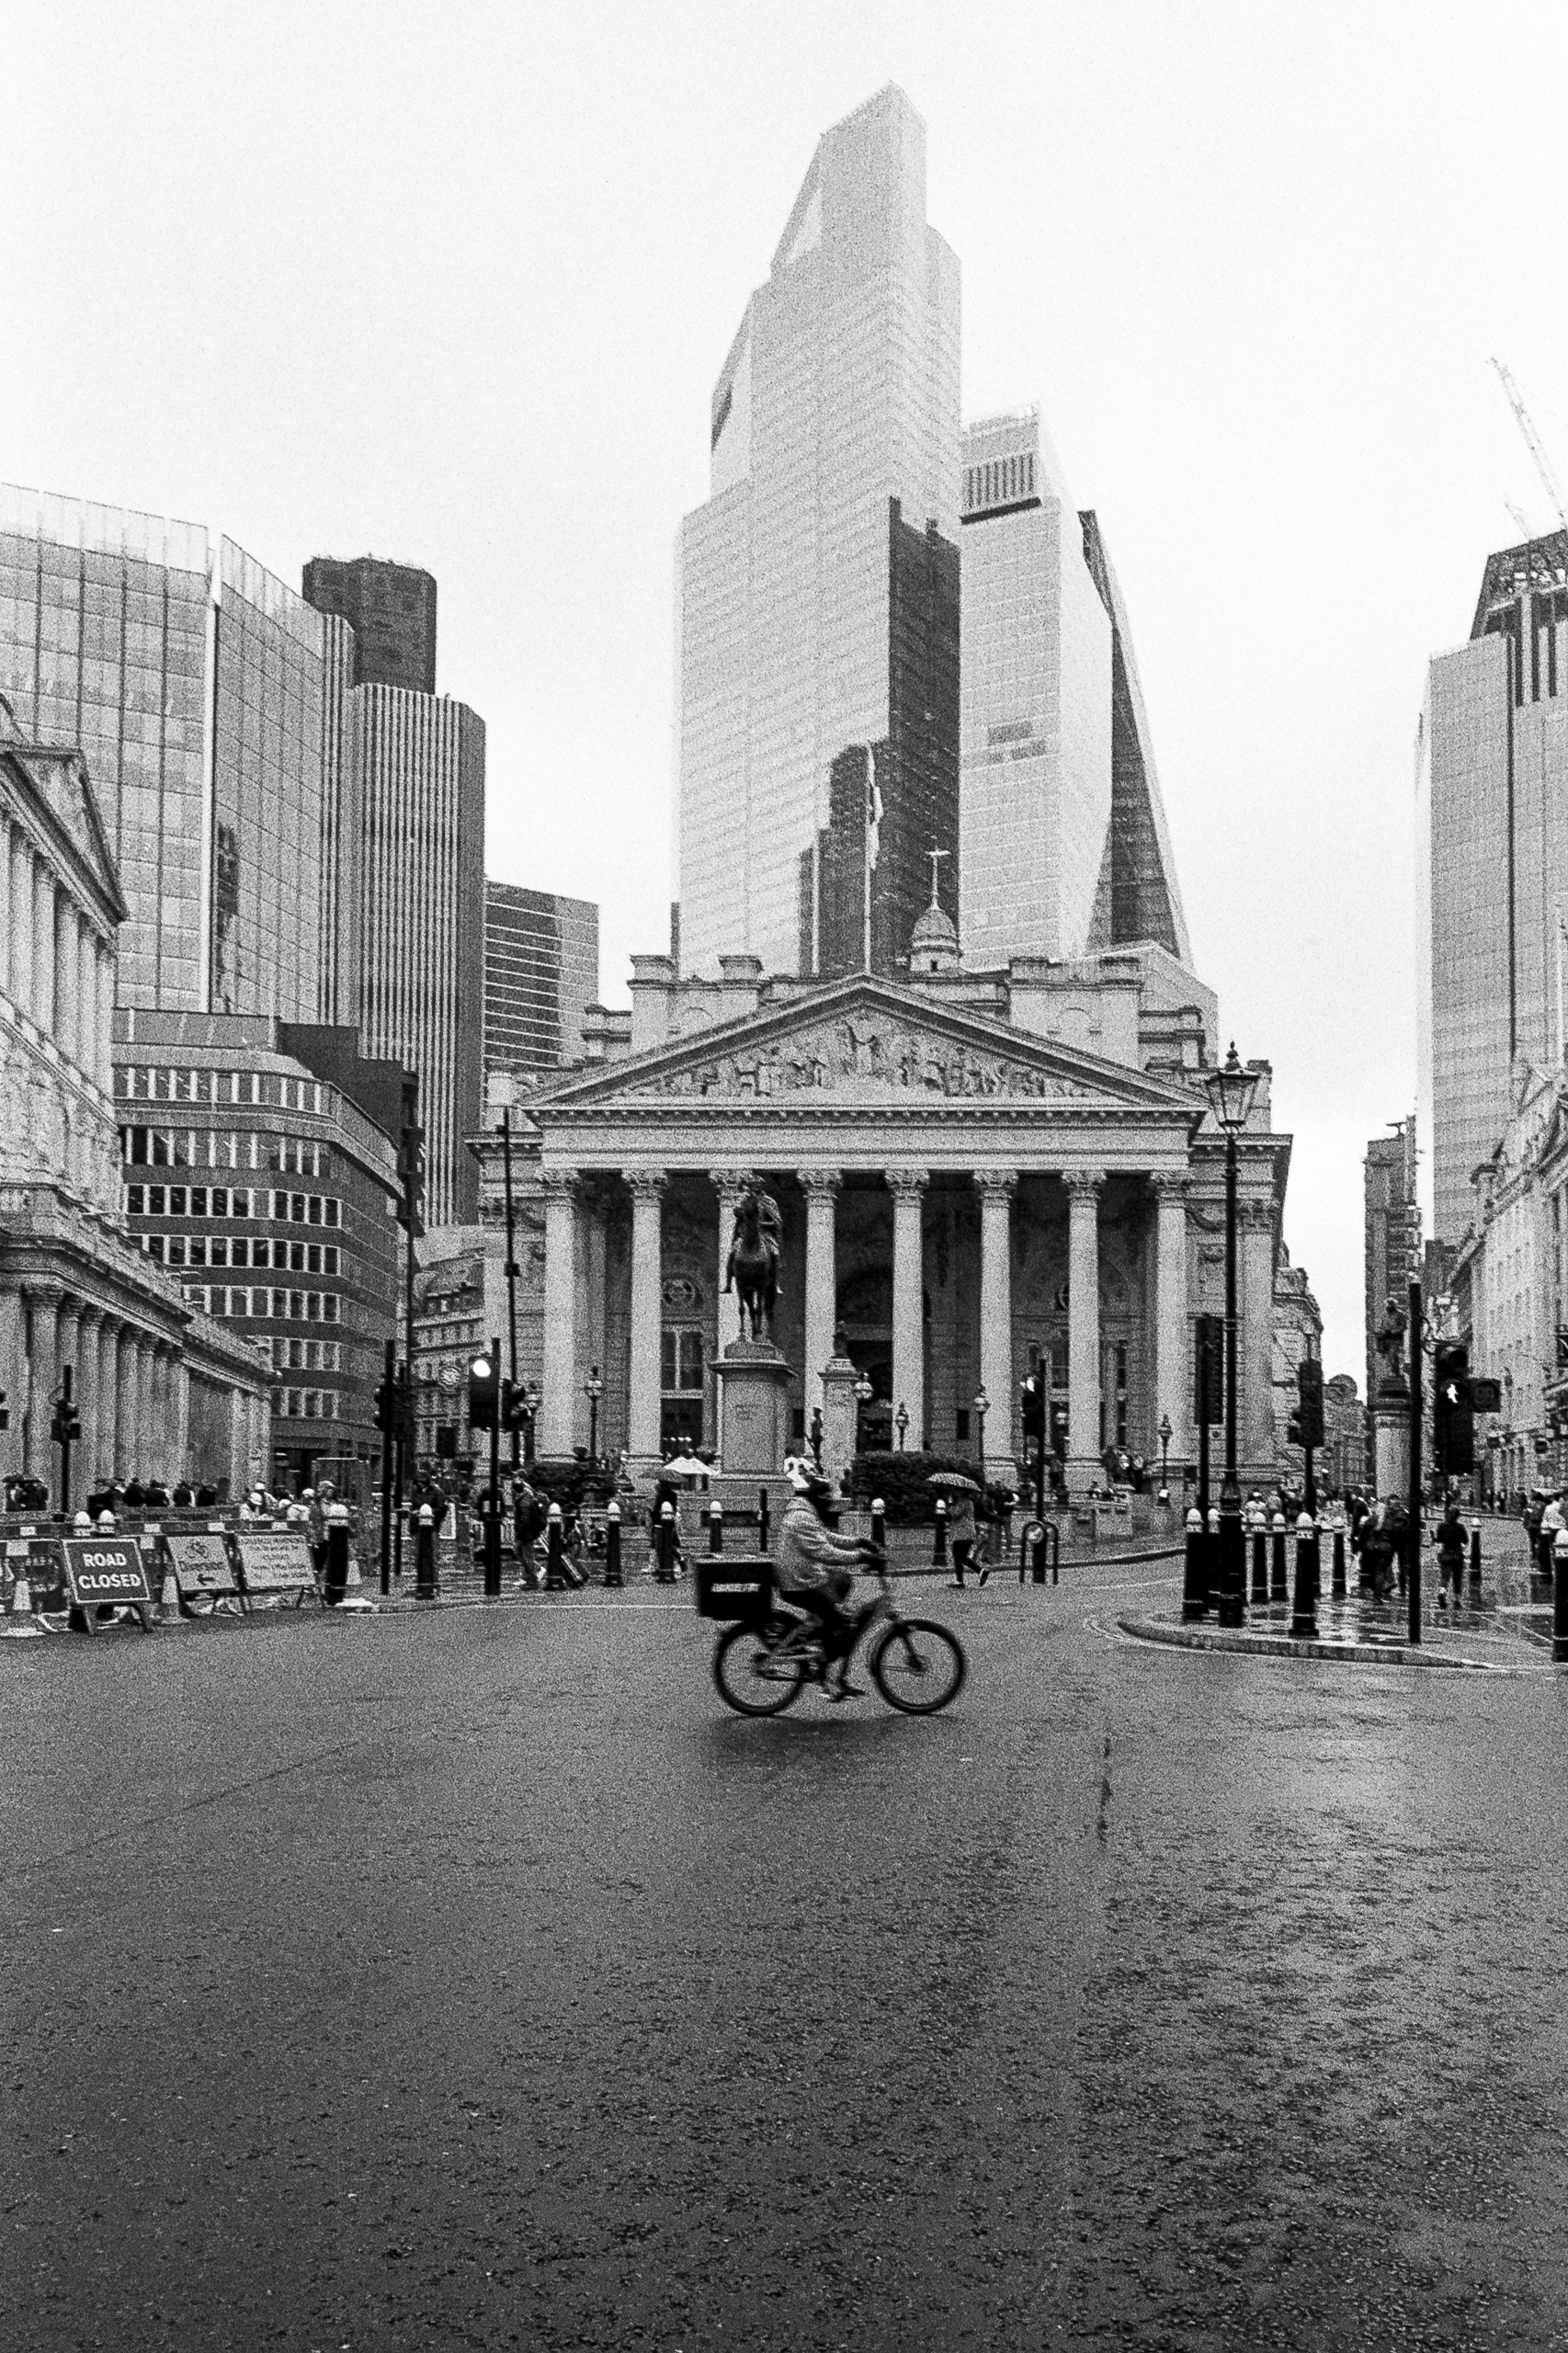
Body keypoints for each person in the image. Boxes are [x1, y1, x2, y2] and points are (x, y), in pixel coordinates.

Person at [777, 1466, 877, 1700]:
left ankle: (823, 1626)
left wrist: (858, 1542)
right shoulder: (802, 1518)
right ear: (819, 1500)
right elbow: (826, 1552)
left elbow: (826, 1536)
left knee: (842, 1579)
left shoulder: (806, 1512)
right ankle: (828, 1676)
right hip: (800, 1584)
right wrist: (861, 1557)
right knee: (845, 1623)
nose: (828, 1508)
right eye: (826, 1503)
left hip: (806, 1576)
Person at [949, 1485, 983, 1588]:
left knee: (957, 1555)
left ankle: (959, 1581)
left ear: (962, 1492)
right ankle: (981, 1571)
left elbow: (955, 1514)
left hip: (962, 1532)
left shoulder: (963, 1502)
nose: (956, 1492)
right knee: (963, 1557)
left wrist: (951, 1503)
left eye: (957, 1490)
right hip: (968, 1532)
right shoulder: (969, 1501)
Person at [1434, 1503, 1468, 1609]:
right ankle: (1456, 1600)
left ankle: (1442, 1592)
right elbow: (1465, 1541)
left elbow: (1439, 1540)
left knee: (1444, 1577)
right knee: (1457, 1578)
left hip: (1446, 1555)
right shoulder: (1460, 1527)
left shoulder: (1442, 1526)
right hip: (1457, 1556)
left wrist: (1434, 1538)